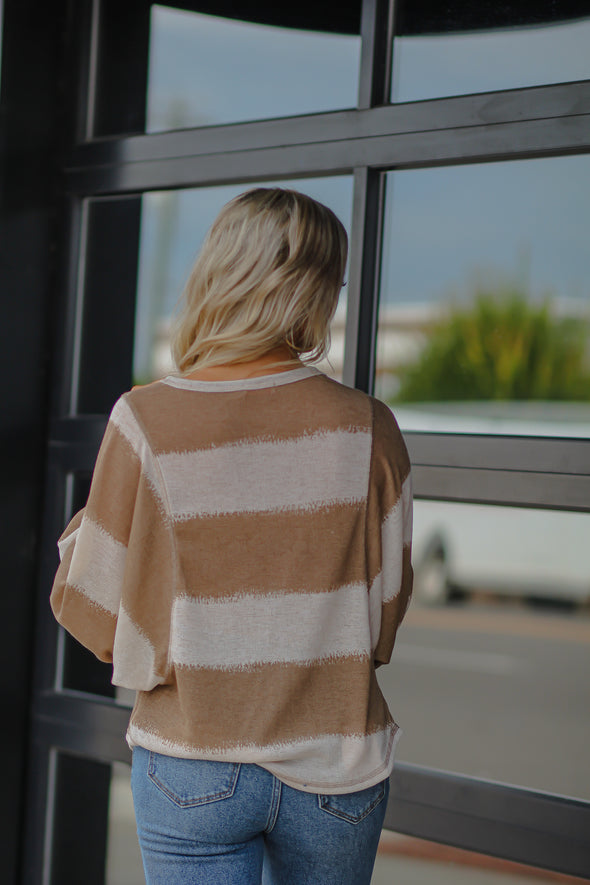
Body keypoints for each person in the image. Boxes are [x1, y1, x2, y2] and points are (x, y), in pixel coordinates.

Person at [50, 187, 413, 885]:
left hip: (194, 763)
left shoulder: (146, 420)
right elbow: (382, 615)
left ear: (220, 272)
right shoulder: (370, 427)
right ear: (316, 290)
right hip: (334, 771)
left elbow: (90, 607)